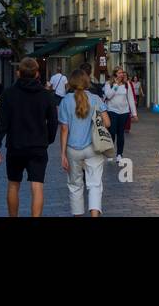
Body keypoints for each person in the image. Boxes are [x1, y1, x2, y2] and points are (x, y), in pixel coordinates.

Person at [0, 57, 57, 217]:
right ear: (37, 74)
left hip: (16, 145)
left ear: (18, 73)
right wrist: (48, 139)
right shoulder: (46, 95)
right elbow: (53, 121)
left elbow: (1, 122)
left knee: (13, 184)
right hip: (38, 145)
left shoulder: (9, 93)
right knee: (37, 186)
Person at [59, 71, 111, 217]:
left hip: (72, 149)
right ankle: (94, 215)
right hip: (93, 147)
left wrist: (62, 154)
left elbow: (64, 129)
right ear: (87, 82)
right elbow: (107, 123)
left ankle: (78, 215)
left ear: (71, 82)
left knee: (75, 185)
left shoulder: (65, 101)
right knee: (94, 184)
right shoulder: (95, 99)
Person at [101, 67, 137, 161]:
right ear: (115, 74)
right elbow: (108, 95)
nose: (122, 74)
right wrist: (116, 85)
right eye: (119, 73)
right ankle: (110, 153)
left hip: (124, 112)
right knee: (112, 132)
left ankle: (119, 154)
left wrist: (134, 113)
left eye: (122, 73)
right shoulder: (108, 83)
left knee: (121, 133)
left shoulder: (127, 84)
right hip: (112, 110)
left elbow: (131, 99)